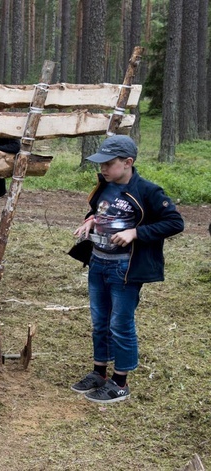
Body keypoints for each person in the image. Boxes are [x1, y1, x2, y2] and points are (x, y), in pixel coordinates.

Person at [71, 135, 184, 403]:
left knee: (120, 324)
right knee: (99, 322)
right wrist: (90, 220)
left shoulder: (147, 190)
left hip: (125, 268)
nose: (103, 169)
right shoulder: (105, 185)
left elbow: (175, 222)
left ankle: (120, 382)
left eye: (109, 164)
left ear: (128, 162)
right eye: (101, 164)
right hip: (98, 262)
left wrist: (136, 232)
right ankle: (99, 372)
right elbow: (100, 211)